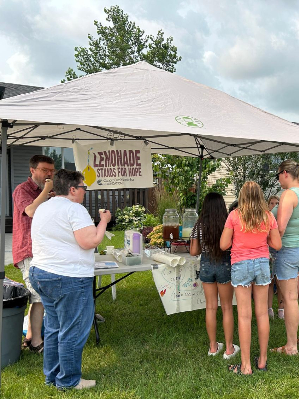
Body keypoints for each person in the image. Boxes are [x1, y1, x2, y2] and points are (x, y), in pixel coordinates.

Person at [29, 169, 111, 390]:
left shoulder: (44, 206)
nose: (85, 191)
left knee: (55, 327)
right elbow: (90, 241)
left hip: (41, 273)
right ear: (73, 189)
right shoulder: (75, 209)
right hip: (68, 277)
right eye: (83, 187)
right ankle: (68, 381)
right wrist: (103, 221)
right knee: (72, 330)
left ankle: (52, 376)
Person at [220, 181, 281, 375]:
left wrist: (238, 240)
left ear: (242, 196)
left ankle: (246, 366)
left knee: (244, 316)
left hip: (241, 264)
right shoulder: (268, 215)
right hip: (262, 263)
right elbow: (277, 245)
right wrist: (265, 239)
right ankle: (262, 361)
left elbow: (223, 244)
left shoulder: (234, 216)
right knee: (262, 314)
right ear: (260, 196)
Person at [12, 154, 55, 353]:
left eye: (51, 171)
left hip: (44, 249)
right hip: (28, 249)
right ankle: (36, 342)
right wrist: (47, 191)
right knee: (38, 295)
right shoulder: (23, 190)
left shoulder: (48, 192)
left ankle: (30, 336)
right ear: (32, 170)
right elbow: (30, 211)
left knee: (38, 295)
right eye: (45, 170)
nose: (49, 174)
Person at [190, 193, 239, 359]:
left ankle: (213, 347)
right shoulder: (227, 222)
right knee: (226, 308)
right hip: (225, 265)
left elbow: (193, 251)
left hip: (206, 266)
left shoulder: (199, 225)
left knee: (210, 307)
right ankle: (229, 349)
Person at [270, 160, 299, 355]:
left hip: (288, 250)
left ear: (286, 173)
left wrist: (271, 247)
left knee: (290, 298)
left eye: (278, 174)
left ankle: (291, 346)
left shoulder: (288, 195)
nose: (278, 179)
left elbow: (280, 228)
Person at [267, 195, 284, 320]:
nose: (274, 205)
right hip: (269, 251)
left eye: (276, 203)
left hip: (281, 251)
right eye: (272, 203)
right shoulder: (267, 218)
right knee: (269, 280)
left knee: (280, 281)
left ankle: (281, 308)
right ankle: (269, 308)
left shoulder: (283, 218)